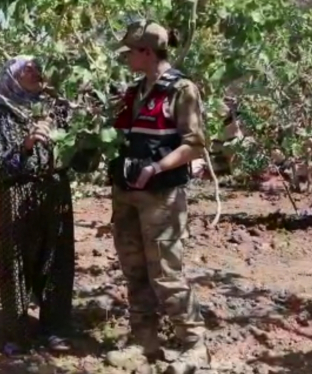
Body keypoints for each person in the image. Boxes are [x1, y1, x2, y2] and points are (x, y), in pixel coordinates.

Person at [104, 20, 209, 373]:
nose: (127, 59)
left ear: (147, 52)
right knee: (134, 268)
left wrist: (157, 168)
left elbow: (194, 145)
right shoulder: (136, 91)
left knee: (166, 272)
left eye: (131, 52)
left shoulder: (182, 90)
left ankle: (195, 346)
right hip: (127, 194)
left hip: (160, 197)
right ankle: (144, 340)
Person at [0, 55, 76, 355]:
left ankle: (55, 330)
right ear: (12, 78)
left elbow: (76, 151)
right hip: (16, 193)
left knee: (57, 260)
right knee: (16, 263)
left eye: (38, 67)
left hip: (54, 191)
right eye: (27, 69)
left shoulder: (57, 108)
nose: (36, 72)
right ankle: (18, 334)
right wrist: (25, 146)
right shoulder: (2, 114)